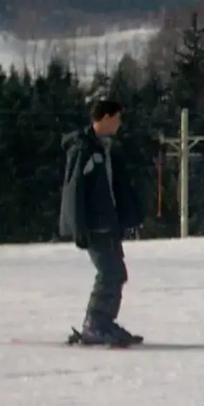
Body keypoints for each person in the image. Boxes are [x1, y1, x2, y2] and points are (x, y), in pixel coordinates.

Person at [59, 98, 145, 346]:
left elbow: (117, 186)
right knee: (109, 272)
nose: (120, 124)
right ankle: (95, 324)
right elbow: (74, 190)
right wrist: (78, 227)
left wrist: (128, 216)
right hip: (94, 224)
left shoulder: (105, 148)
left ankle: (104, 321)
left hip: (109, 223)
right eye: (117, 118)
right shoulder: (83, 149)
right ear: (106, 118)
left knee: (117, 273)